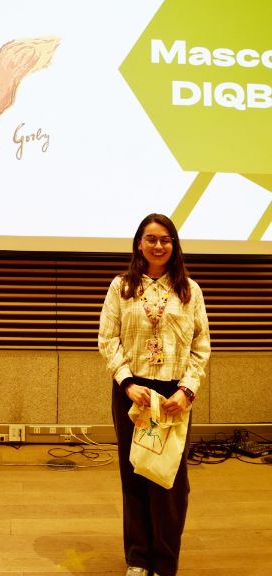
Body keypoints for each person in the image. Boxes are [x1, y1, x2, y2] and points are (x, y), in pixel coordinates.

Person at [98, 213, 210, 576]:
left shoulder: (189, 290)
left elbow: (201, 346)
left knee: (169, 481)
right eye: (151, 238)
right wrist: (126, 383)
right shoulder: (121, 287)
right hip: (134, 392)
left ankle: (164, 562)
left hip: (174, 395)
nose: (158, 245)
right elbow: (107, 340)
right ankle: (138, 558)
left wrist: (187, 390)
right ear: (138, 244)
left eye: (165, 239)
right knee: (134, 475)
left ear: (174, 245)